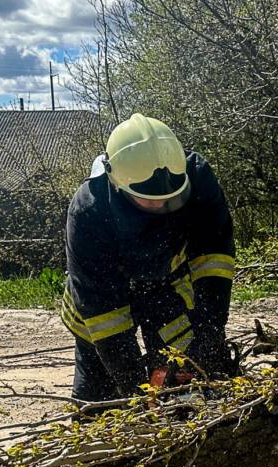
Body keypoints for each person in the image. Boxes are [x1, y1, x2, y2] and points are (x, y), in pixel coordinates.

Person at [61, 113, 237, 401]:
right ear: (118, 184)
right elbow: (103, 313)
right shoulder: (88, 212)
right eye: (149, 198)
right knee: (101, 401)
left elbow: (214, 259)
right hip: (101, 310)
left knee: (192, 374)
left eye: (171, 195)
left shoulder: (198, 178)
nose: (162, 203)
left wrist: (211, 330)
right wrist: (137, 391)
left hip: (165, 294)